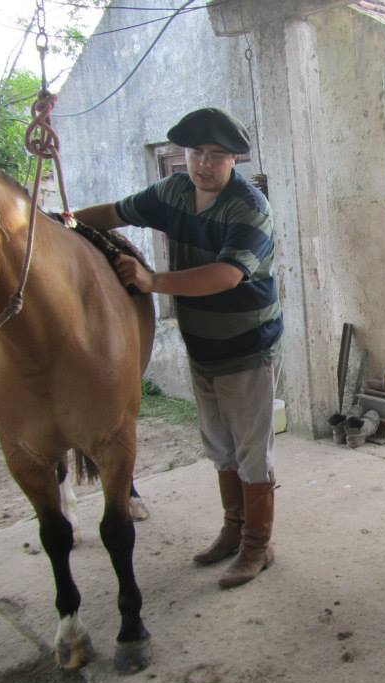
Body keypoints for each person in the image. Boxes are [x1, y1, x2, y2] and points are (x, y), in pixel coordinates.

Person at [73, 107, 282, 589]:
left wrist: (153, 281)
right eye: (195, 153)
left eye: (217, 155)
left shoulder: (248, 207)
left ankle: (258, 545)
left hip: (247, 347)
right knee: (220, 446)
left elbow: (227, 275)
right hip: (201, 344)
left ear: (234, 160)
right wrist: (57, 227)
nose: (204, 164)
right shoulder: (173, 192)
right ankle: (233, 531)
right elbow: (115, 213)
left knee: (252, 452)